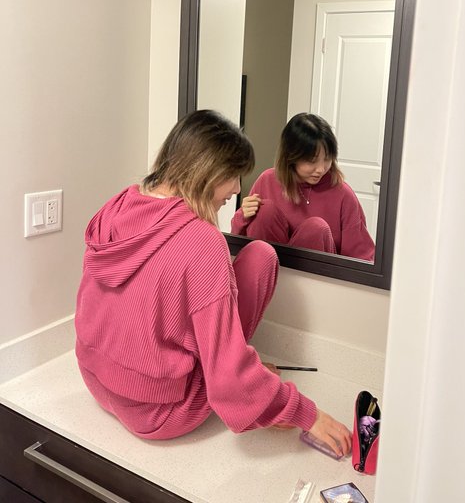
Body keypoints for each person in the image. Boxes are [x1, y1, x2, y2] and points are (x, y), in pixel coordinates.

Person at [75, 109, 351, 457]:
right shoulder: (202, 241)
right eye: (234, 176)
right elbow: (228, 376)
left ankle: (248, 376)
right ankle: (249, 381)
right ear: (208, 170)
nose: (237, 189)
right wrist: (305, 413)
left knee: (258, 256)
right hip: (159, 415)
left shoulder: (117, 205)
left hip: (95, 380)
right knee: (259, 262)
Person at [231, 113, 375, 260]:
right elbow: (237, 239)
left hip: (318, 279)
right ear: (291, 157)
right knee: (264, 211)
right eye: (312, 161)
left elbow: (363, 258)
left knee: (316, 228)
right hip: (271, 272)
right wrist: (243, 215)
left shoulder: (343, 195)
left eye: (327, 159)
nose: (320, 169)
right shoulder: (267, 181)